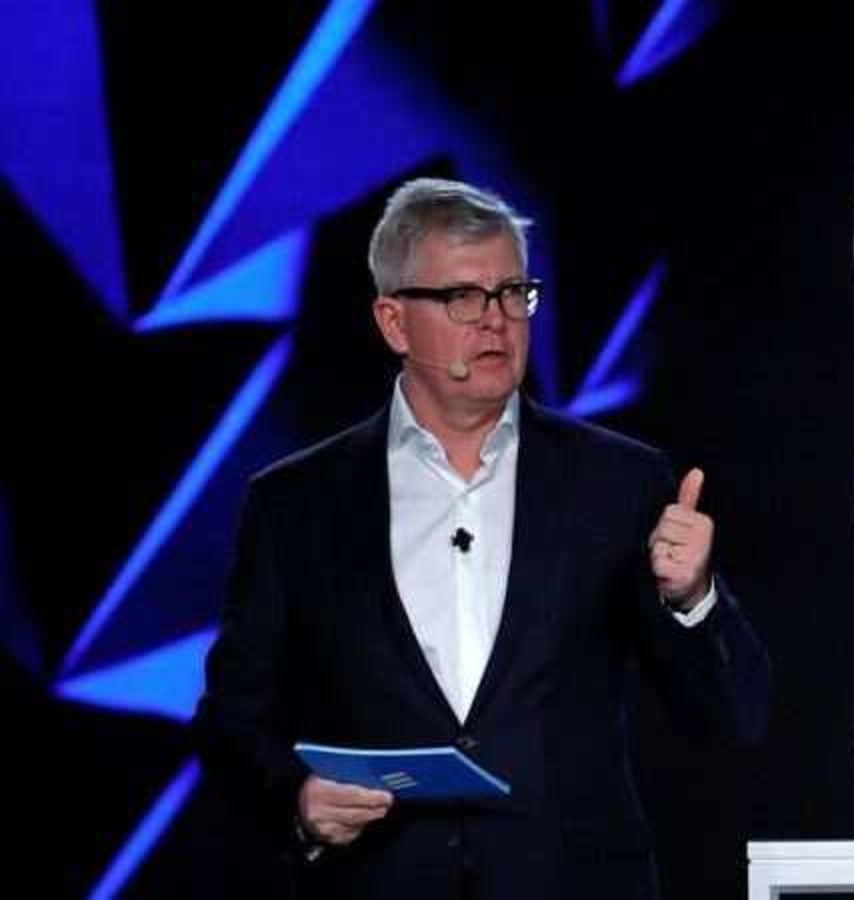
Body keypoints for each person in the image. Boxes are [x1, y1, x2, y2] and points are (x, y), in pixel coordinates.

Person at [192, 177, 770, 899]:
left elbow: (734, 717)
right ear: (394, 321)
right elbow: (231, 722)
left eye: (512, 294)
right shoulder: (295, 504)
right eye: (463, 297)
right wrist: (299, 802)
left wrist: (693, 599)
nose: (496, 321)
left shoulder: (618, 482)